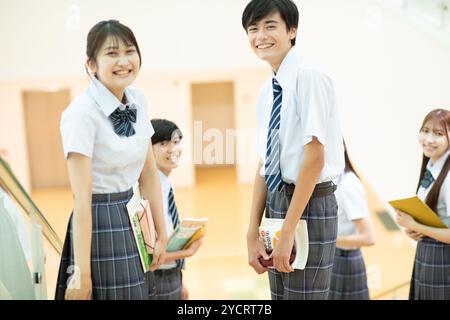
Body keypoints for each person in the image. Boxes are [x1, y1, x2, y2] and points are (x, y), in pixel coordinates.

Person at [55, 20, 167, 300]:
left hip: (134, 213)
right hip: (100, 221)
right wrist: (82, 274)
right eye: (112, 53)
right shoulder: (81, 114)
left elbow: (149, 174)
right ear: (91, 64)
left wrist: (160, 234)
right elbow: (81, 198)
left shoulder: (138, 100)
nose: (123, 61)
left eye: (130, 51)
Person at [242, 0, 345, 300]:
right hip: (278, 202)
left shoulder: (308, 76)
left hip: (309, 202)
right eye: (253, 29)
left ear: (292, 30)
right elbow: (266, 162)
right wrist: (252, 230)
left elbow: (315, 158)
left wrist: (288, 230)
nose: (261, 35)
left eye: (270, 26)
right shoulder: (267, 90)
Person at [396, 108, 450, 300]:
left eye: (438, 133)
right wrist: (415, 230)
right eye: (425, 130)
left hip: (443, 260)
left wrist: (415, 225)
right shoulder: (432, 166)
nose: (428, 139)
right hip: (427, 255)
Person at [149, 119, 204, 300]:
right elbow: (146, 257)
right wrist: (186, 253)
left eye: (176, 142)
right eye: (163, 143)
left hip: (171, 276)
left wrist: (179, 282)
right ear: (148, 149)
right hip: (155, 279)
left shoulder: (165, 184)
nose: (172, 149)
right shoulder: (148, 190)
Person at [328, 143, 375, 300]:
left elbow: (368, 238)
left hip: (344, 261)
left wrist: (327, 241)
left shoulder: (349, 184)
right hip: (333, 257)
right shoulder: (329, 178)